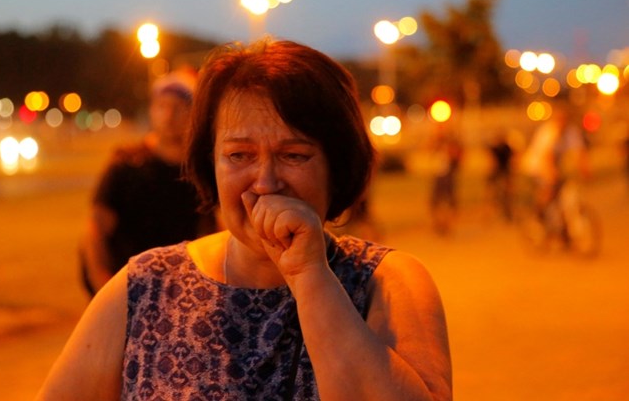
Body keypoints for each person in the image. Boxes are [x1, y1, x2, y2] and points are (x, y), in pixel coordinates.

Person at [37, 39, 452, 400]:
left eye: (294, 155)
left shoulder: (387, 282)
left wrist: (310, 275)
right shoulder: (143, 288)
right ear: (209, 165)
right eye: (239, 155)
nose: (265, 181)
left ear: (337, 167)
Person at [79, 68, 218, 296]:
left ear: (194, 114)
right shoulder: (127, 164)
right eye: (162, 106)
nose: (168, 116)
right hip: (126, 291)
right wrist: (102, 287)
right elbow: (96, 231)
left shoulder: (200, 172)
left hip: (179, 298)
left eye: (178, 107)